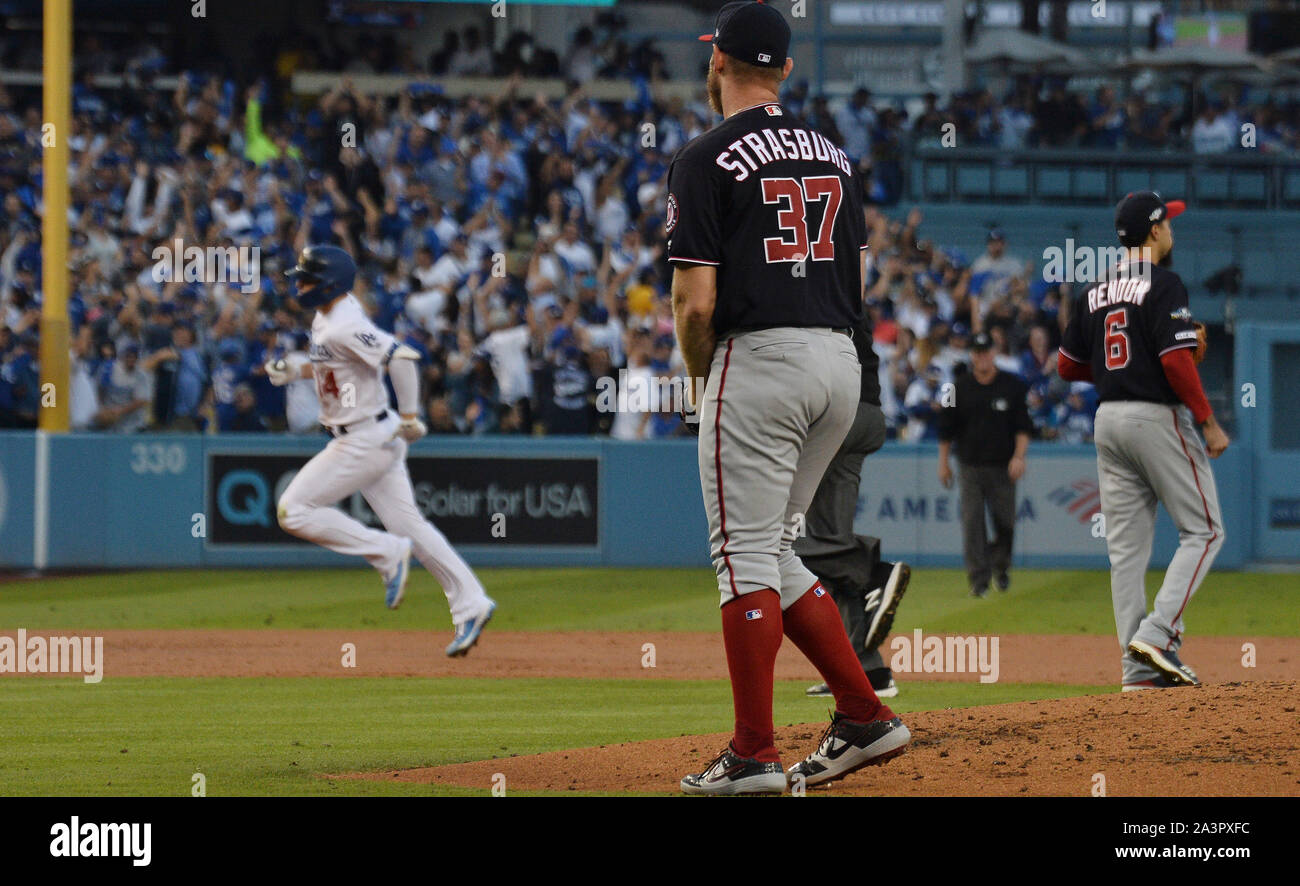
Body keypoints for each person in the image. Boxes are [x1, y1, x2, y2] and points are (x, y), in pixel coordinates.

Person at [668, 1, 908, 797]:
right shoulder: (837, 156)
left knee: (740, 557)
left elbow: (694, 304)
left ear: (718, 63)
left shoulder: (705, 156)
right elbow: (861, 280)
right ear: (785, 70)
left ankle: (752, 753)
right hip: (838, 362)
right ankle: (865, 715)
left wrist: (702, 385)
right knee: (772, 552)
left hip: (761, 359)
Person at [267, 245, 497, 658]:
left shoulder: (343, 323)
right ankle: (472, 603)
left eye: (306, 278)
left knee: (293, 510)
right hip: (373, 435)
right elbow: (336, 364)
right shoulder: (330, 317)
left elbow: (401, 357)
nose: (297, 284)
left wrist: (410, 415)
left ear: (330, 283)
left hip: (363, 440)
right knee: (414, 529)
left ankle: (386, 552)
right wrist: (296, 370)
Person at [1057, 191, 1228, 692]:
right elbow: (1176, 361)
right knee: (1205, 531)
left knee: (1126, 554)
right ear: (1154, 231)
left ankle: (1137, 672)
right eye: (1168, 223)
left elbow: (1067, 365)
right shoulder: (1165, 282)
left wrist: (1122, 365)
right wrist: (1208, 420)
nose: (1173, 231)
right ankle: (1157, 634)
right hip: (1155, 418)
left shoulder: (1096, 288)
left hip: (1108, 420)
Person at [795, 307, 912, 701]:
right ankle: (869, 669)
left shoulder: (810, 292)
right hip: (867, 414)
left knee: (767, 543)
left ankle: (870, 568)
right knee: (831, 542)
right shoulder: (840, 292)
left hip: (835, 415)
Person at [937, 332, 1032, 597]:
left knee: (1006, 523)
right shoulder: (958, 387)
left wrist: (1019, 456)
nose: (982, 356)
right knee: (972, 523)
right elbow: (945, 430)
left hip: (1003, 466)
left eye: (986, 351)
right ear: (972, 355)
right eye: (977, 352)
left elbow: (1023, 427)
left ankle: (1000, 566)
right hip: (970, 465)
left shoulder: (1012, 385)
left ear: (994, 353)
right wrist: (943, 463)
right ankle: (978, 580)